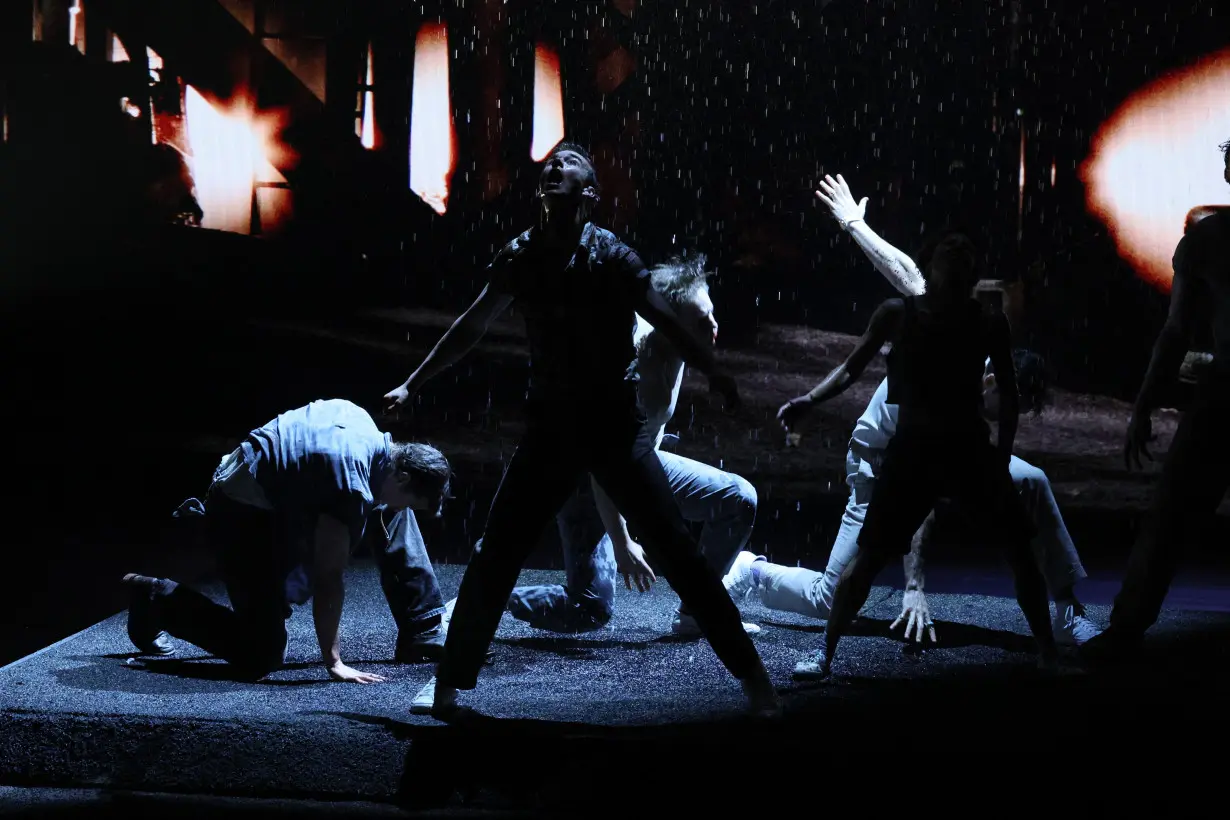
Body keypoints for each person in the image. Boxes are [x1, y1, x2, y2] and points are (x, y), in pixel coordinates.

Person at [383, 142, 780, 719]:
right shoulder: (522, 254)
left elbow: (664, 313)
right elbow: (472, 324)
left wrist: (715, 369)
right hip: (550, 429)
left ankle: (756, 683)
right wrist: (415, 382)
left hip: (613, 426)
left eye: (567, 168)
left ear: (590, 195)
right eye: (549, 167)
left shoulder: (611, 255)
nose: (553, 169)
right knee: (498, 554)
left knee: (679, 555)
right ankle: (447, 689)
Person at [774, 174, 1058, 680]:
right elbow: (853, 366)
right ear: (934, 268)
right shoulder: (902, 312)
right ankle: (825, 654)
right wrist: (809, 400)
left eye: (965, 257)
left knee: (1020, 546)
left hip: (967, 449)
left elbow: (1010, 396)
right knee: (863, 564)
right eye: (949, 255)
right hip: (907, 452)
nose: (958, 261)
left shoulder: (985, 322)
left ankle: (1050, 650)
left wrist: (999, 454)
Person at [724, 352, 1102, 662]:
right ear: (990, 381)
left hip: (950, 454)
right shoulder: (940, 389)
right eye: (1007, 406)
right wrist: (913, 586)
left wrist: (997, 478)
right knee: (829, 598)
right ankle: (754, 571)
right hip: (878, 462)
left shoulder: (980, 377)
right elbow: (921, 491)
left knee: (1031, 480)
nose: (1006, 418)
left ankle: (1067, 611)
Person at [503, 253, 761, 637]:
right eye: (700, 321)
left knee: (739, 499)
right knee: (590, 610)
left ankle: (697, 612)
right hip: (585, 480)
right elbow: (604, 462)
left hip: (635, 462)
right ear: (668, 324)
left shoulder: (677, 345)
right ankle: (494, 594)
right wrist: (622, 543)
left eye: (712, 314)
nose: (713, 327)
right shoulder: (636, 367)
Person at [122, 399, 453, 682]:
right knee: (261, 654)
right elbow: (328, 578)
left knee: (390, 510)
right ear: (403, 475)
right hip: (240, 513)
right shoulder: (350, 486)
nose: (402, 507)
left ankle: (422, 628)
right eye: (410, 498)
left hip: (275, 494)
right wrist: (334, 661)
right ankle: (157, 598)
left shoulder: (364, 426)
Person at [1081, 140, 1230, 662]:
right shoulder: (1207, 241)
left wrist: (1145, 404)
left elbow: (1175, 333)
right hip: (1221, 397)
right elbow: (1176, 334)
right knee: (1167, 519)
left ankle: (1125, 631)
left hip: (1222, 399)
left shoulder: (1208, 240)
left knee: (1169, 520)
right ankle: (1125, 629)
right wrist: (1145, 403)